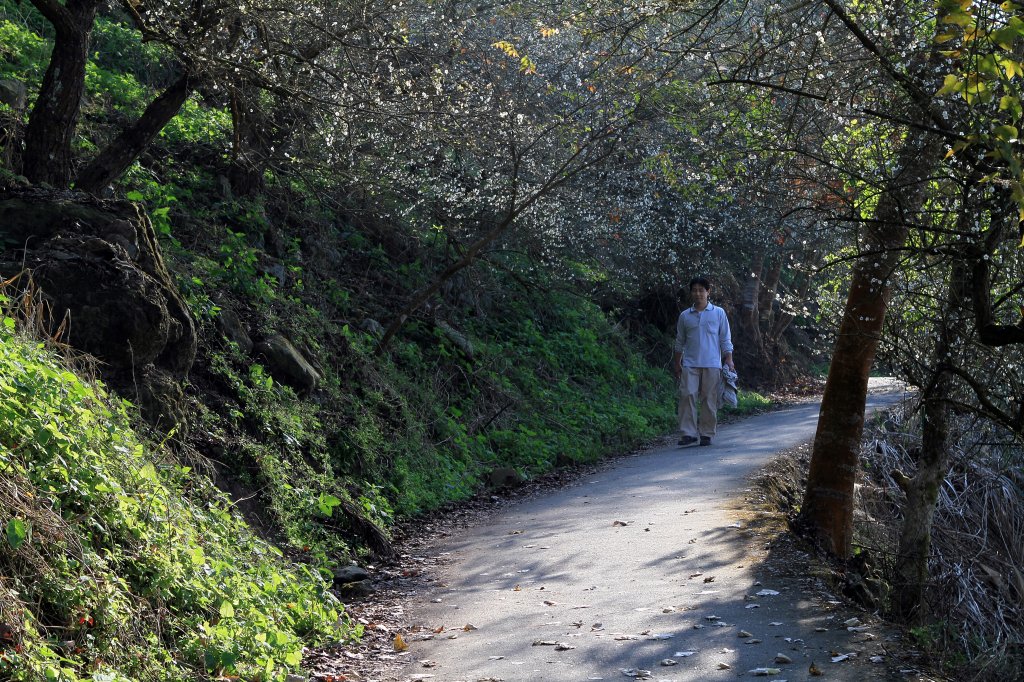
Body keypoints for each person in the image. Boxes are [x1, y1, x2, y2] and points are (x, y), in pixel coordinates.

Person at [672, 276, 735, 447]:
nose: (698, 293)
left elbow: (725, 338)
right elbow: (679, 341)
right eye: (695, 290)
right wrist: (677, 363)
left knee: (709, 399)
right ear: (691, 293)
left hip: (712, 363)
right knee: (687, 396)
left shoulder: (718, 313)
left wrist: (729, 359)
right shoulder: (685, 316)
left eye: (701, 290)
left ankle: (706, 433)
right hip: (690, 364)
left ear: (708, 292)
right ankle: (688, 434)